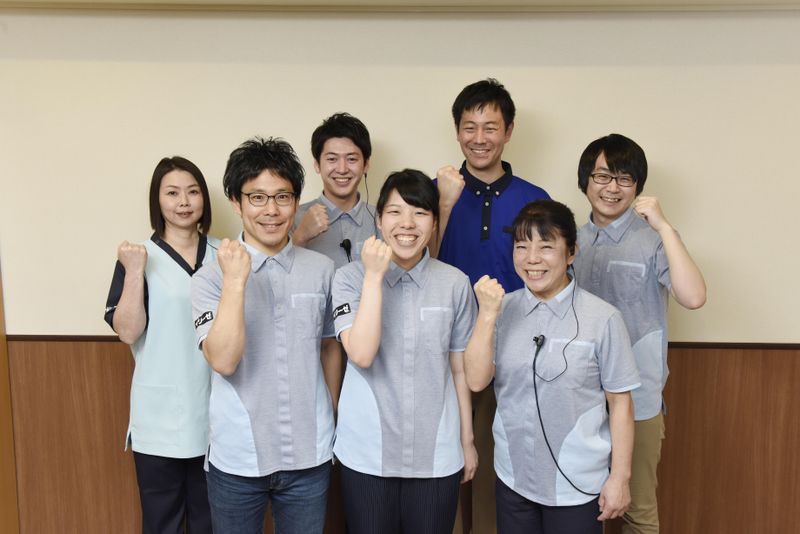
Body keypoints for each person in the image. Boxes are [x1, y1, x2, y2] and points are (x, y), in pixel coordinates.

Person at [190, 137, 341, 534]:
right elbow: (223, 360)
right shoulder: (210, 278)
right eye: (257, 197)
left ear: (296, 201)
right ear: (236, 203)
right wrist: (235, 281)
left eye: (282, 197)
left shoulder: (322, 270)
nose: (271, 210)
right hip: (238, 455)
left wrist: (332, 413)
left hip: (309, 453)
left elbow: (329, 347)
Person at [464, 199, 640, 534]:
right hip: (514, 475)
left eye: (546, 246)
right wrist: (486, 316)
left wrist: (620, 477)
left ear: (571, 252)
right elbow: (475, 380)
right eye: (521, 246)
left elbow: (620, 404)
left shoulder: (603, 318)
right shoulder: (501, 310)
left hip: (577, 482)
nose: (532, 259)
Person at [331, 169, 478, 534]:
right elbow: (361, 354)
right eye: (395, 212)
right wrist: (373, 276)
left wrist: (467, 441)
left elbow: (459, 369)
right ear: (379, 220)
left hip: (436, 454)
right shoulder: (349, 279)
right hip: (367, 453)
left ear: (434, 222)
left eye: (420, 212)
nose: (407, 224)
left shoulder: (455, 283)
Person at [573, 134, 707, 534]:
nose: (612, 188)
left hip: (638, 399)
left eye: (624, 179)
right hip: (579, 396)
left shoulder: (654, 240)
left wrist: (664, 226)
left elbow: (694, 297)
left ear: (637, 187)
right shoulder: (571, 241)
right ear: (585, 180)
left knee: (639, 510)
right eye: (602, 176)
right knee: (579, 506)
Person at [103, 156, 216, 534]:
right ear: (157, 200)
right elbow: (127, 332)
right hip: (159, 419)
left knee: (212, 523)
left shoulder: (225, 254)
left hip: (217, 418)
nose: (184, 201)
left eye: (193, 191)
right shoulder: (137, 257)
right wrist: (135, 270)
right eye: (172, 193)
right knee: (161, 524)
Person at [434, 77, 550, 292]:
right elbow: (413, 265)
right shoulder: (430, 192)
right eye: (470, 128)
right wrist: (443, 204)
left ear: (508, 131)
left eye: (490, 129)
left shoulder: (536, 199)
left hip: (516, 314)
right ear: (457, 130)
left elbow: (552, 275)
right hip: (447, 314)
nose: (479, 139)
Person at [293, 112, 377, 268]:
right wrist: (300, 237)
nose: (342, 169)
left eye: (352, 159)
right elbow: (275, 276)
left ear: (365, 165)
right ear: (317, 165)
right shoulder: (292, 218)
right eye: (332, 159)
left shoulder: (384, 220)